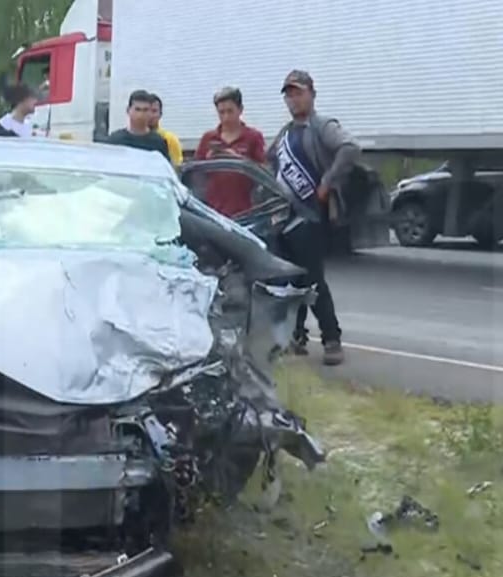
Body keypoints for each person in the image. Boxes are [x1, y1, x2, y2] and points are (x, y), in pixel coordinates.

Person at [270, 69, 359, 365]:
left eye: (298, 92)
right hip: (286, 216)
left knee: (313, 280)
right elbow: (270, 163)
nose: (294, 99)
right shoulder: (285, 133)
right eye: (289, 94)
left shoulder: (322, 126)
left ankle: (332, 339)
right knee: (290, 279)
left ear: (311, 93)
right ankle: (296, 337)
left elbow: (349, 148)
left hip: (312, 216)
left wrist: (327, 183)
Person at [194, 86, 267, 217]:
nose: (226, 117)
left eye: (230, 111)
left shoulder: (253, 137)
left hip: (246, 211)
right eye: (221, 112)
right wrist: (207, 161)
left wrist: (238, 160)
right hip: (213, 211)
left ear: (240, 110)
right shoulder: (208, 138)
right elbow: (195, 176)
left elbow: (265, 174)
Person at [105, 90, 172, 163]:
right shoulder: (115, 140)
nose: (141, 115)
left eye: (145, 110)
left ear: (150, 112)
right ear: (128, 110)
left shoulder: (158, 142)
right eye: (137, 109)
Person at [147, 94, 184, 166]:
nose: (150, 115)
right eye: (146, 110)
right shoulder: (134, 137)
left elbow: (176, 166)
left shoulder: (169, 138)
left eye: (154, 111)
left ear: (160, 114)